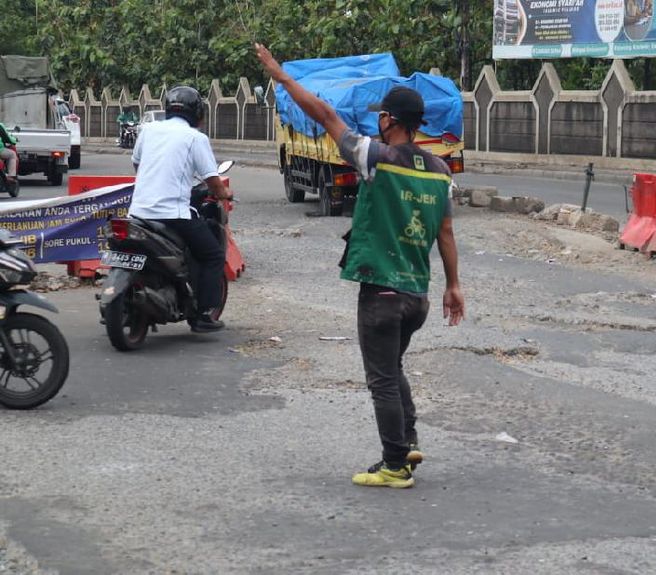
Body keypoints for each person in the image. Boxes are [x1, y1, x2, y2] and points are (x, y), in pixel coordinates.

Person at [255, 43, 465, 489]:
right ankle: (405, 442)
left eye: (381, 115)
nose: (378, 120)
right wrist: (455, 287)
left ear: (390, 120)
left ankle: (394, 466)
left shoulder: (375, 158)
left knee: (382, 379)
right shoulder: (440, 172)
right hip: (418, 295)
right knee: (394, 368)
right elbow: (445, 234)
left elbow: (326, 115)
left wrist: (281, 76)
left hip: (381, 292)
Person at [129, 86, 232, 333]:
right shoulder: (195, 138)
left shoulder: (148, 130)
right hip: (173, 215)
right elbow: (213, 181)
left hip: (138, 213)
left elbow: (137, 164)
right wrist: (225, 194)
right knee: (212, 255)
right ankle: (204, 315)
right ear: (197, 112)